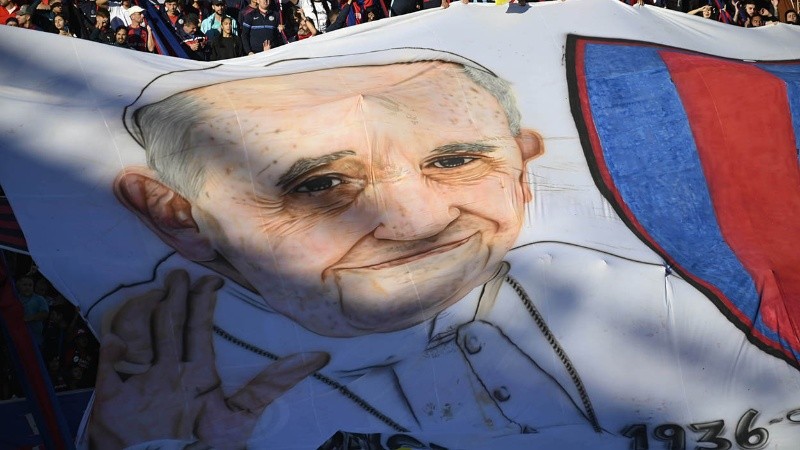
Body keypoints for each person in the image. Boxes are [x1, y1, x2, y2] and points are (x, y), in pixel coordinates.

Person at [85, 56, 800, 449]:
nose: (420, 220)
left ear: (523, 163)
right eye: (321, 184)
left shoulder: (665, 294)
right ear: (176, 214)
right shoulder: (160, 402)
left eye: (456, 161)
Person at [16, 276, 49, 347]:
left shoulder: (39, 299)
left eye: (30, 285)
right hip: (17, 337)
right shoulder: (15, 299)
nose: (27, 287)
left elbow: (45, 313)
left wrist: (30, 318)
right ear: (19, 286)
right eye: (25, 285)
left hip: (34, 340)